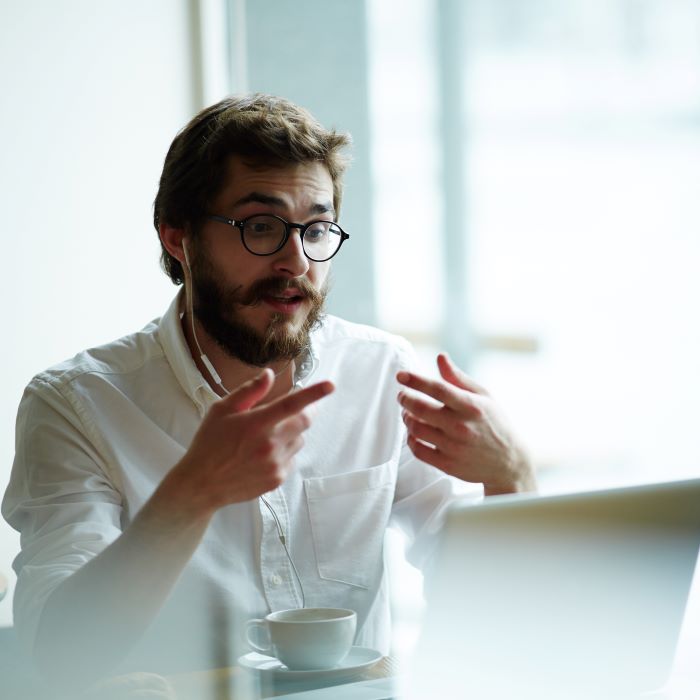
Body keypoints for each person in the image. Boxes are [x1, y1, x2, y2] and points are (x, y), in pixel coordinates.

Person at [2, 94, 535, 689]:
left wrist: (510, 481)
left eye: (317, 227)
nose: (296, 259)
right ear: (179, 239)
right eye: (261, 226)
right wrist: (191, 492)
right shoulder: (76, 404)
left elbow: (489, 612)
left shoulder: (381, 372)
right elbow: (60, 654)